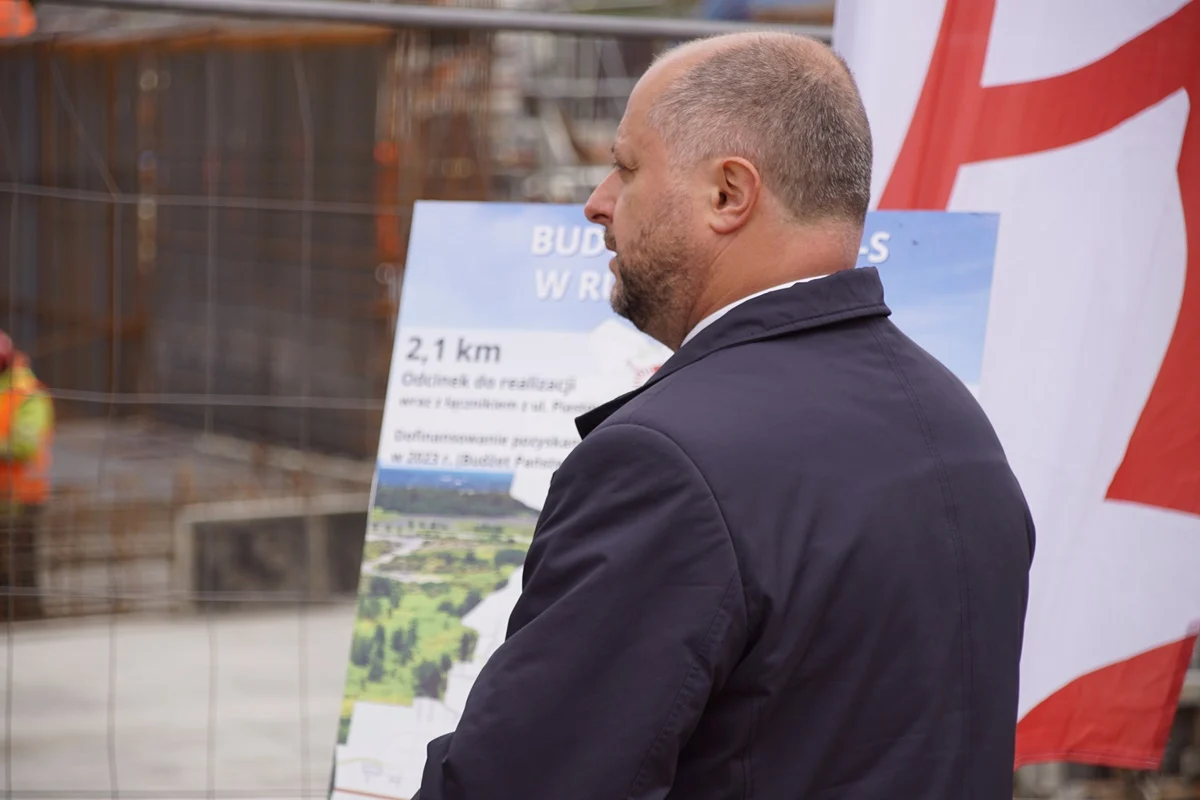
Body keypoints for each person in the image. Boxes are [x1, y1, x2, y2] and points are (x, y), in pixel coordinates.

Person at [415, 32, 1033, 800]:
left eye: (626, 168)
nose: (597, 202)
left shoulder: (665, 462)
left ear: (728, 195)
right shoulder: (956, 422)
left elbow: (523, 782)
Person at [0, 329, 53, 621]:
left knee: (21, 568)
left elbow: (25, 445)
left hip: (22, 496)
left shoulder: (28, 393)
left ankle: (28, 620)